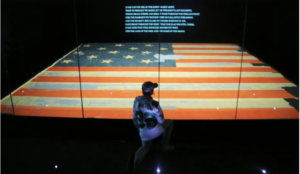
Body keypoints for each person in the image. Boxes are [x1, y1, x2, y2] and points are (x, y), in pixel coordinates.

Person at [128, 81, 175, 173]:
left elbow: (134, 119)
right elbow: (161, 121)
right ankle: (165, 145)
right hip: (154, 130)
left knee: (145, 147)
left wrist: (140, 129)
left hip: (142, 132)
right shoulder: (154, 104)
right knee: (170, 122)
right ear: (151, 91)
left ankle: (137, 158)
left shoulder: (136, 101)